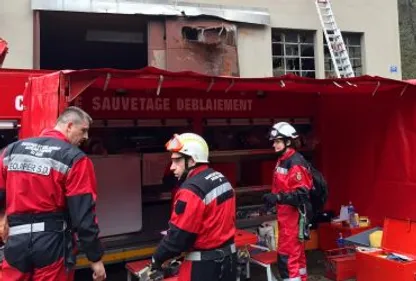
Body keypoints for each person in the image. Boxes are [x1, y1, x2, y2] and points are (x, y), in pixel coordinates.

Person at [0, 106, 106, 281]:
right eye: (84, 131)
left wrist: (3, 216)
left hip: (16, 243)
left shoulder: (11, 151)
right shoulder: (75, 159)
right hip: (52, 244)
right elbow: (84, 216)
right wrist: (95, 258)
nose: (86, 137)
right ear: (69, 126)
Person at [150, 133, 237, 281]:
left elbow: (178, 238)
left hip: (204, 267)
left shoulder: (190, 190)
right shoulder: (221, 178)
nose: (172, 167)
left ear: (191, 160)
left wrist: (157, 259)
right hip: (229, 262)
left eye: (177, 161)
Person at [262, 122, 313, 281]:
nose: (274, 144)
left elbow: (301, 195)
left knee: (287, 258)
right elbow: (283, 186)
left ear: (288, 142)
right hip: (287, 218)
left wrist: (278, 198)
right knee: (296, 257)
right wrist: (273, 200)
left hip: (293, 219)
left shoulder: (295, 163)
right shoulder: (283, 160)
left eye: (277, 141)